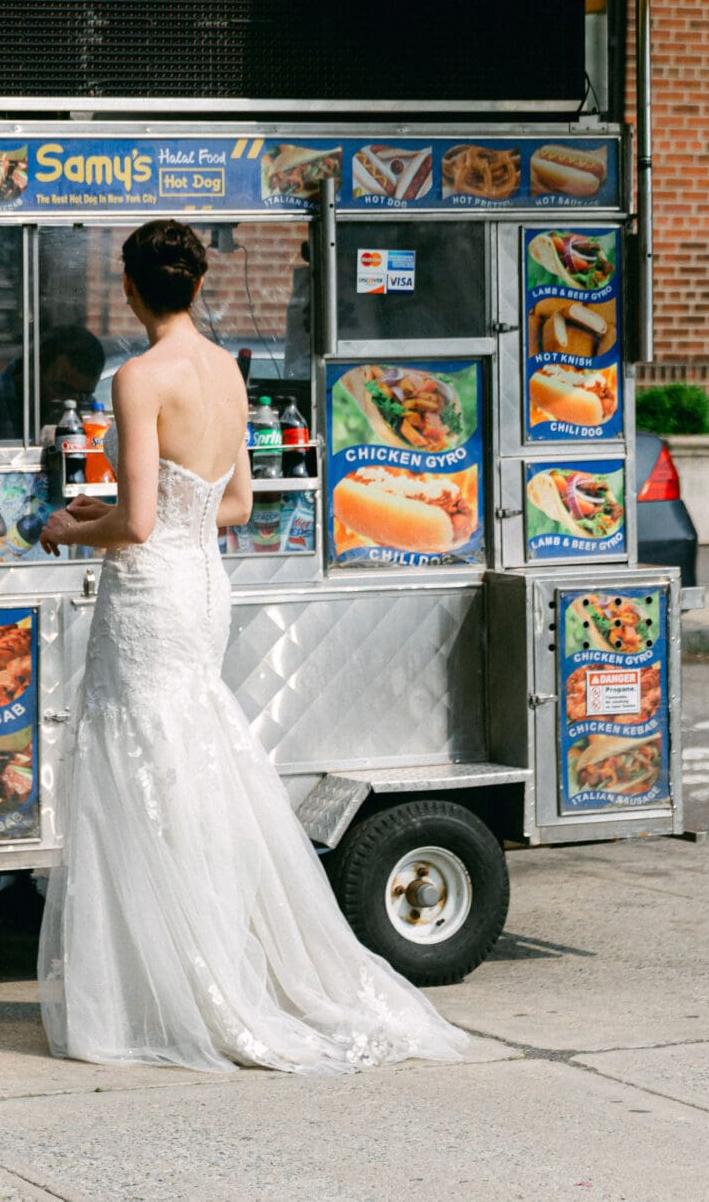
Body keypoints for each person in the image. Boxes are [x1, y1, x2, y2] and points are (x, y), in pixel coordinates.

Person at [35, 219, 477, 1073]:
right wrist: (119, 521)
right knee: (193, 761)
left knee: (140, 768)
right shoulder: (229, 375)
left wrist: (69, 523)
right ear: (197, 285)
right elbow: (230, 507)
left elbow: (132, 520)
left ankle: (163, 986)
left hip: (151, 594)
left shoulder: (139, 377)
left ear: (131, 288)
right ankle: (206, 962)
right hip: (201, 586)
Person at [0, 325, 107, 444]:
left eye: (83, 395)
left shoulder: (85, 408)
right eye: (61, 388)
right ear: (33, 371)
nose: (71, 403)